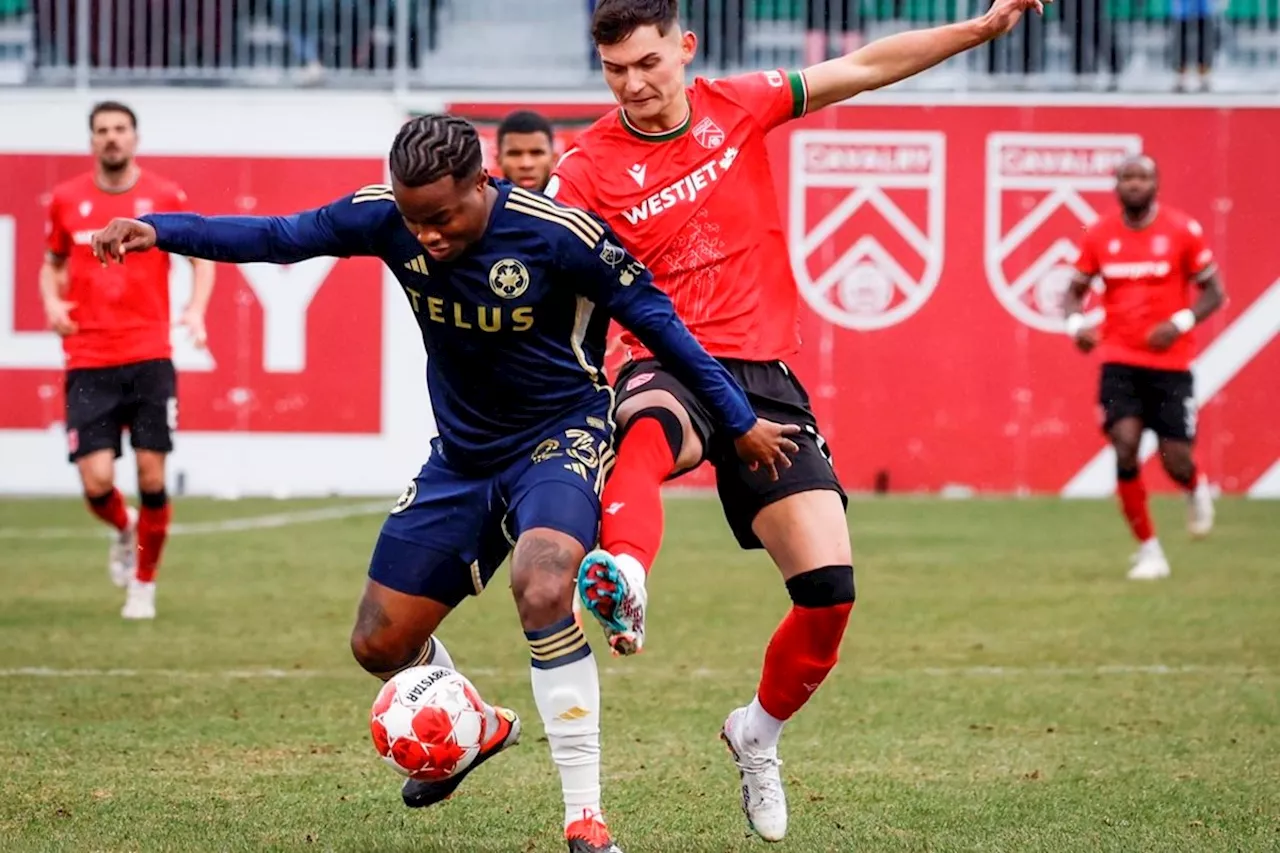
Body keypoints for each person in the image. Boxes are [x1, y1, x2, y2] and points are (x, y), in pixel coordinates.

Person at [91, 114, 798, 853]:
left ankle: (585, 819)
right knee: (377, 642)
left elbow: (660, 323)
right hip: (461, 457)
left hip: (560, 437)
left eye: (442, 216)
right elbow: (278, 236)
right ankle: (477, 721)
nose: (425, 233)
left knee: (546, 580)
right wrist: (158, 229)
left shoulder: (561, 236)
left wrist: (739, 419)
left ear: (482, 182)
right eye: (411, 216)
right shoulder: (387, 217)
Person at [549, 0, 1047, 841]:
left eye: (647, 63)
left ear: (684, 49)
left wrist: (977, 30)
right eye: (614, 70)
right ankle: (626, 576)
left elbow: (864, 67)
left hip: (765, 377)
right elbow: (541, 252)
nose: (632, 84)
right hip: (661, 358)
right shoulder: (586, 166)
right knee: (648, 427)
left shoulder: (743, 104)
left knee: (829, 598)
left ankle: (756, 734)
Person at [41, 100, 215, 621]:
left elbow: (200, 256)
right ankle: (125, 527)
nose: (111, 138)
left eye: (120, 129)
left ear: (135, 138)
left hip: (148, 355)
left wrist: (196, 310)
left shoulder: (163, 198)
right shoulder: (66, 201)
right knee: (96, 483)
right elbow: (50, 265)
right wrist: (51, 301)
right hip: (88, 356)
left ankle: (143, 585)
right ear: (91, 140)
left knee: (152, 476)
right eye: (102, 130)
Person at [1063, 154, 1222, 581]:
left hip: (1171, 364)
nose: (1135, 184)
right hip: (1119, 360)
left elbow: (1214, 293)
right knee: (1125, 443)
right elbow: (1072, 293)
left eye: (1143, 177)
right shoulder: (1099, 235)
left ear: (1156, 184)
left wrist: (1181, 322)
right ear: (1116, 185)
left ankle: (1193, 486)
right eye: (1128, 177)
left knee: (1176, 460)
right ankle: (1150, 550)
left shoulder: (1182, 231)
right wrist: (1077, 324)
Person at [496, 110, 557, 192]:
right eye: (515, 154)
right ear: (498, 159)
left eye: (536, 153)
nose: (526, 164)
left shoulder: (573, 203)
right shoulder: (484, 204)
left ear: (554, 158)